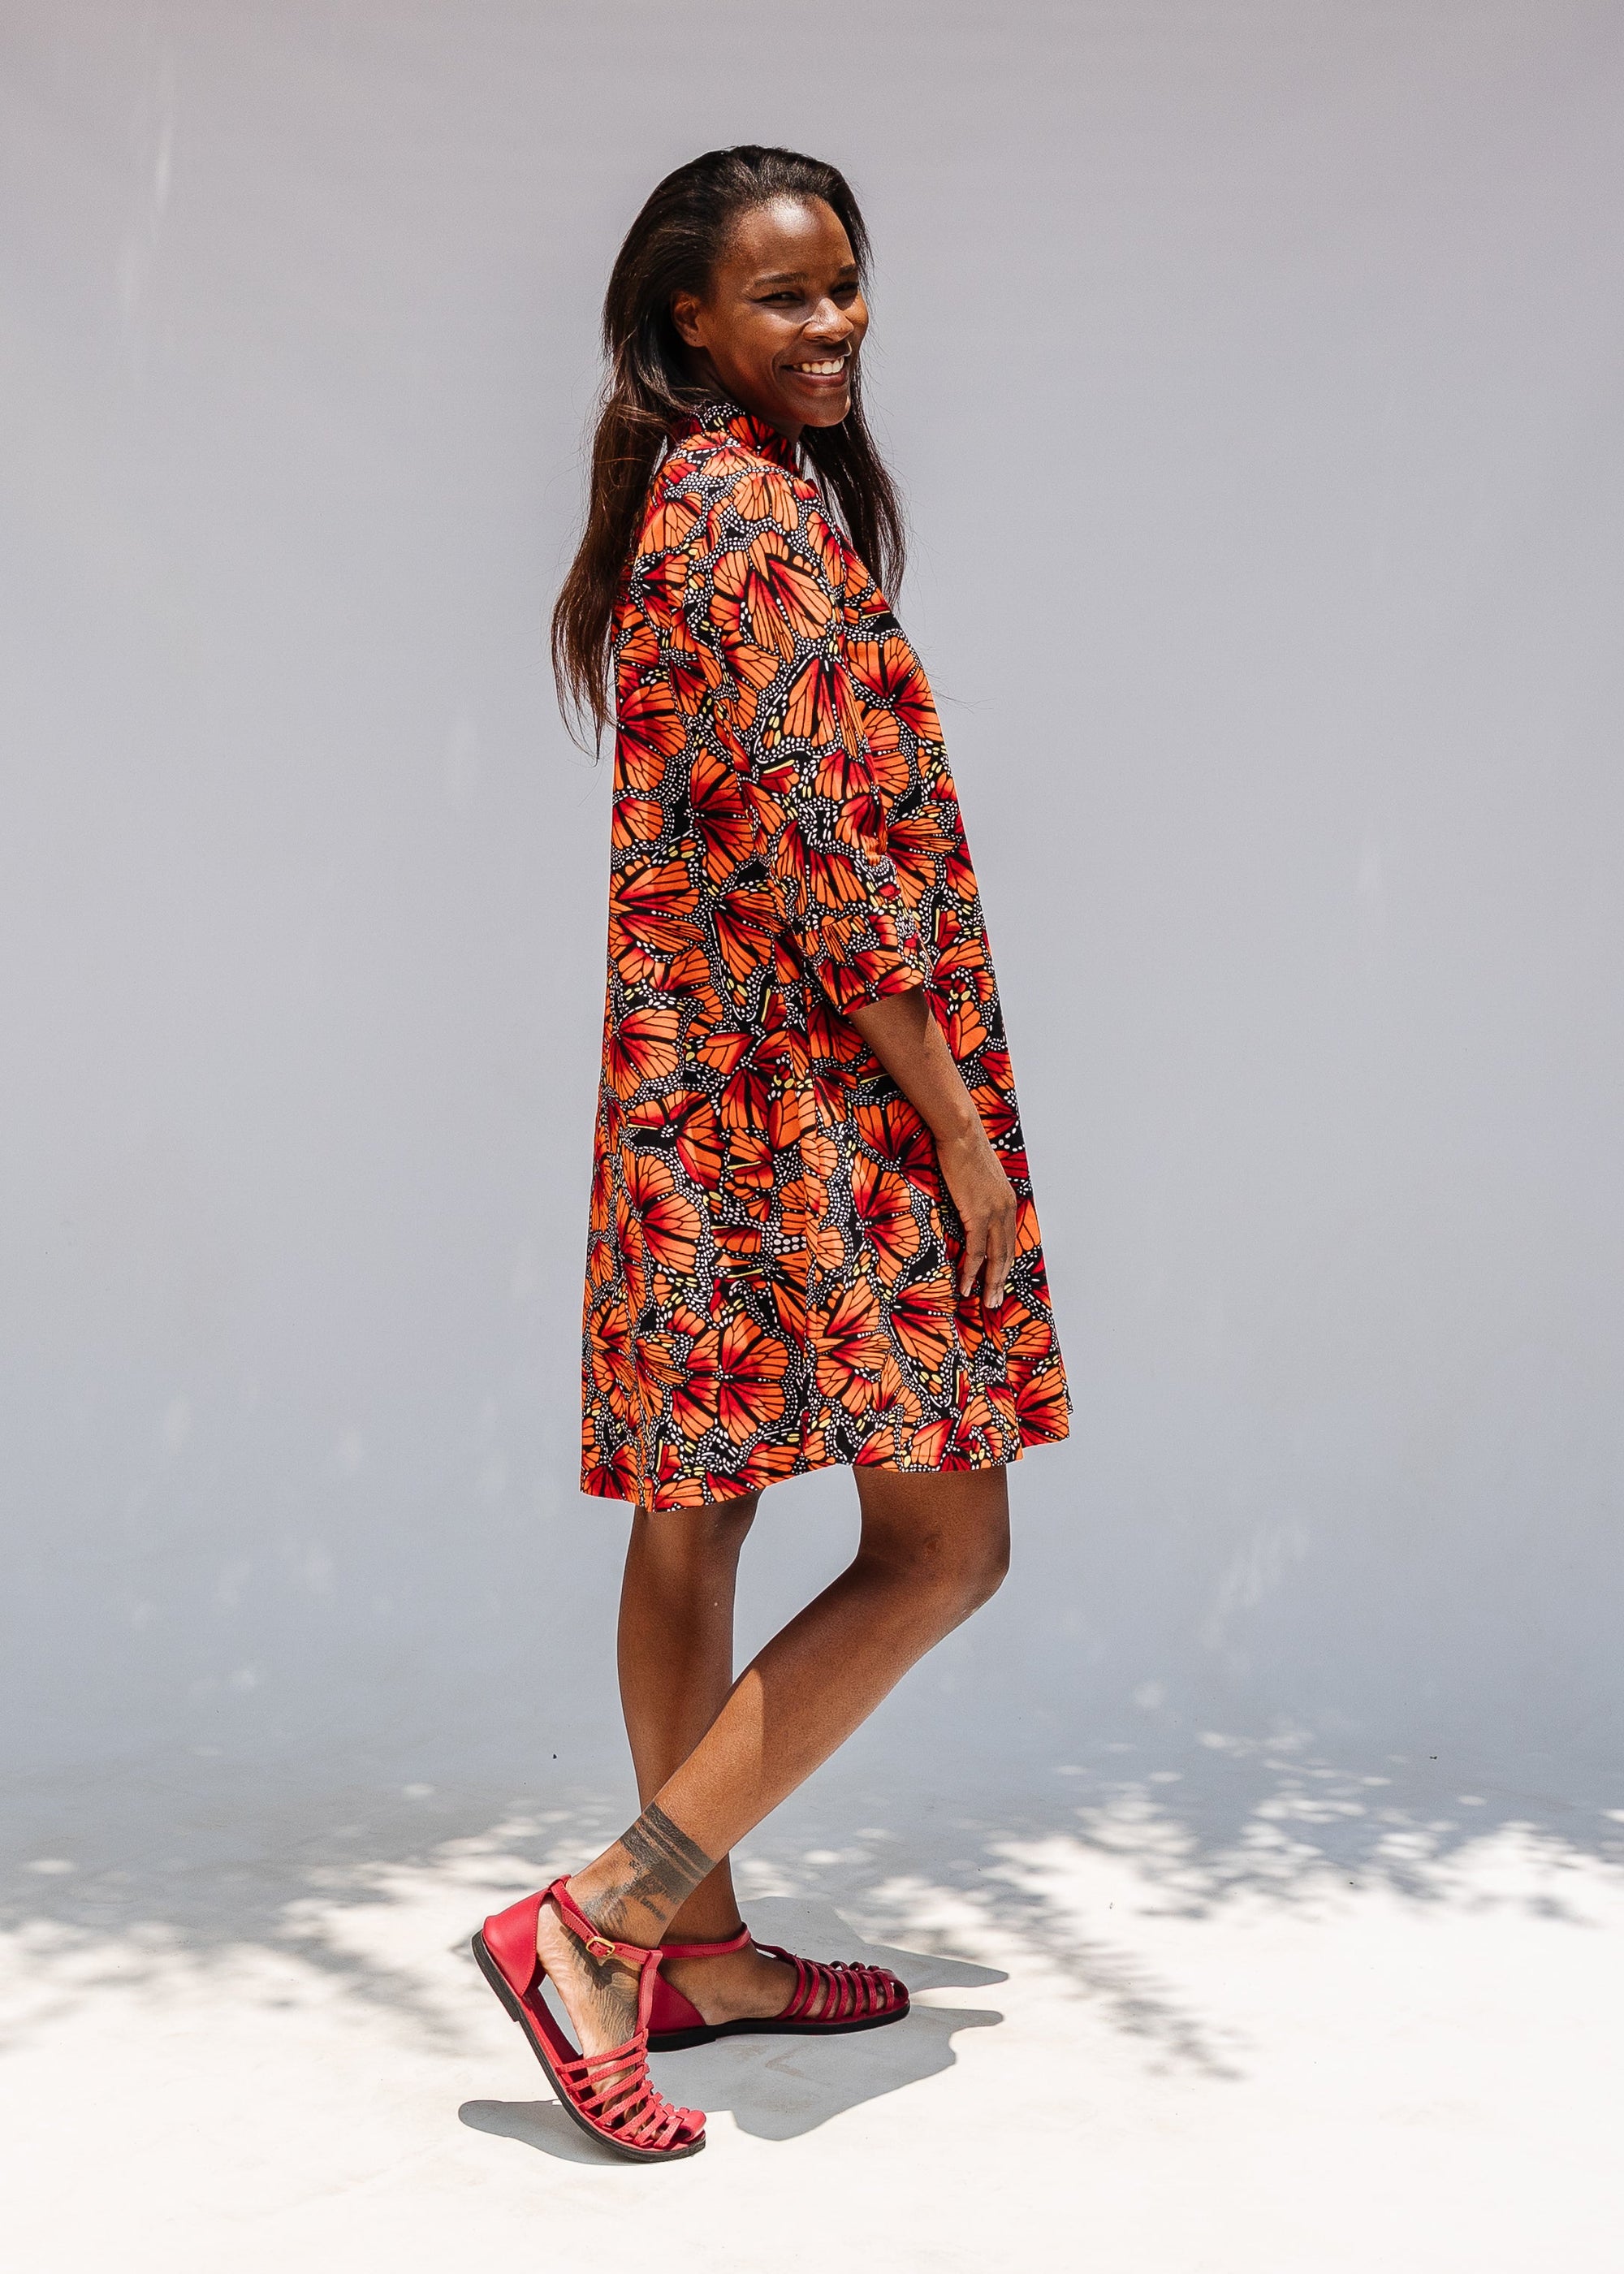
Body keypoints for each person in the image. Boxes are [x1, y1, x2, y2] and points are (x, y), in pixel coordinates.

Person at [473, 145, 1069, 2163]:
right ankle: (602, 1923)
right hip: (807, 1107)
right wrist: (962, 1136)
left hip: (705, 1096)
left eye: (847, 287)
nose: (835, 325)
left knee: (697, 1506)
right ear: (686, 326)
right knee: (943, 1540)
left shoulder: (720, 495)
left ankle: (697, 1950)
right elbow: (823, 866)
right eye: (789, 298)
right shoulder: (737, 513)